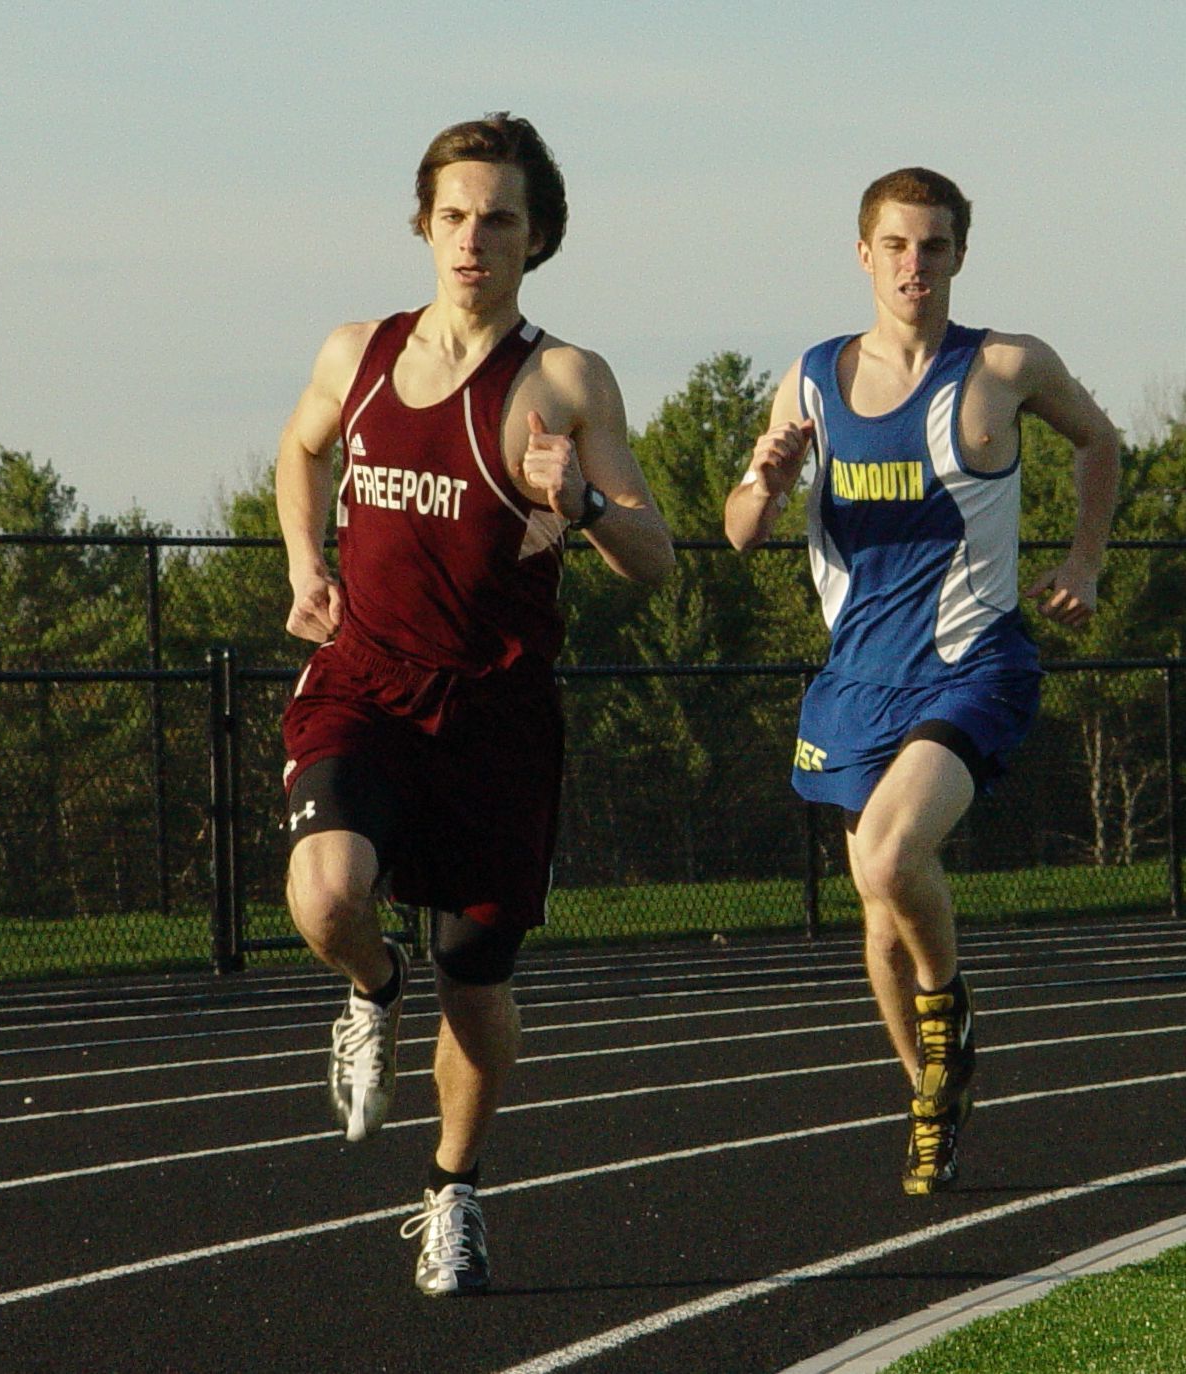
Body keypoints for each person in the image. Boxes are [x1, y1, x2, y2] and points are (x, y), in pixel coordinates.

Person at [276, 113, 674, 1295]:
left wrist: (581, 505)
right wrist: (305, 562)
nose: (471, 240)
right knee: (328, 896)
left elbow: (656, 559)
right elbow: (300, 452)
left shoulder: (564, 380)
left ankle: (452, 1187)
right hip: (364, 683)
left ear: (535, 236)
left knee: (476, 982)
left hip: (495, 718)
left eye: (498, 220)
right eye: (452, 216)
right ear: (423, 223)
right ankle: (370, 987)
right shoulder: (358, 352)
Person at [724, 167, 1120, 1196]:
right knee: (875, 907)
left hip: (971, 665)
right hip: (858, 679)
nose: (915, 265)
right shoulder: (812, 379)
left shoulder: (1005, 365)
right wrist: (766, 480)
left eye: (934, 246)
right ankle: (929, 1092)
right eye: (897, 246)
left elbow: (1099, 440)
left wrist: (1083, 563)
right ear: (864, 254)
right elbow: (740, 531)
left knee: (893, 855)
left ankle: (950, 1007)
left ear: (959, 256)